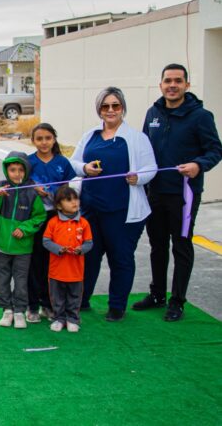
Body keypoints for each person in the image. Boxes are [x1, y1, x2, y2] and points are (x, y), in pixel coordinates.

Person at [134, 64, 222, 321]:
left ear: (187, 85)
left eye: (178, 81)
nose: (172, 85)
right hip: (155, 192)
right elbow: (144, 149)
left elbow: (215, 150)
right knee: (157, 245)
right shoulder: (153, 113)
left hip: (184, 195)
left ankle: (177, 300)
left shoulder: (201, 116)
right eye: (168, 81)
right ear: (161, 84)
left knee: (181, 246)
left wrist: (198, 165)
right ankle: (157, 294)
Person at [70, 86, 157, 322]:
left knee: (120, 258)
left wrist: (139, 178)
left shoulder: (137, 138)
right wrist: (85, 168)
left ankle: (117, 306)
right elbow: (73, 163)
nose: (110, 110)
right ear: (99, 109)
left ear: (122, 108)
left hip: (123, 211)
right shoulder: (90, 136)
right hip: (90, 210)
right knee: (89, 257)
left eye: (115, 105)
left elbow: (151, 167)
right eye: (105, 106)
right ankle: (81, 300)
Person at [26, 123, 77, 323]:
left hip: (56, 218)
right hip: (35, 217)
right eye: (39, 139)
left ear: (54, 139)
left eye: (48, 138)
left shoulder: (62, 162)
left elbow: (68, 189)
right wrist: (33, 189)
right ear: (33, 141)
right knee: (34, 262)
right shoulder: (28, 162)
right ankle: (32, 305)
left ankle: (48, 305)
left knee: (52, 262)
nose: (44, 142)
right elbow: (19, 184)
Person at [0, 152, 46, 329]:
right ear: (6, 170)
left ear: (26, 171)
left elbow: (40, 216)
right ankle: (7, 309)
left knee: (21, 281)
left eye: (21, 170)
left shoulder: (32, 192)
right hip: (1, 245)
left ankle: (20, 311)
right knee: (3, 280)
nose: (17, 173)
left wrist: (24, 229)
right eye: (12, 169)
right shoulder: (1, 187)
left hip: (23, 248)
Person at [42, 186, 93, 333]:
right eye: (69, 200)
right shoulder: (53, 222)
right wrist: (59, 249)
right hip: (56, 271)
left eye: (76, 198)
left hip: (76, 271)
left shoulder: (84, 223)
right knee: (57, 297)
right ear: (59, 206)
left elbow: (89, 243)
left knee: (74, 296)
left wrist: (81, 250)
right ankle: (59, 318)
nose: (74, 202)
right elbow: (46, 241)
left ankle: (72, 319)